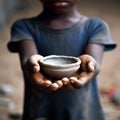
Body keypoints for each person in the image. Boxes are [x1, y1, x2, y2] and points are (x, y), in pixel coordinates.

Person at [7, 0, 116, 120]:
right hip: (40, 111)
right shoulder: (24, 26)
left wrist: (91, 65)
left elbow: (94, 64)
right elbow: (28, 61)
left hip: (84, 112)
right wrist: (31, 65)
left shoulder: (95, 26)